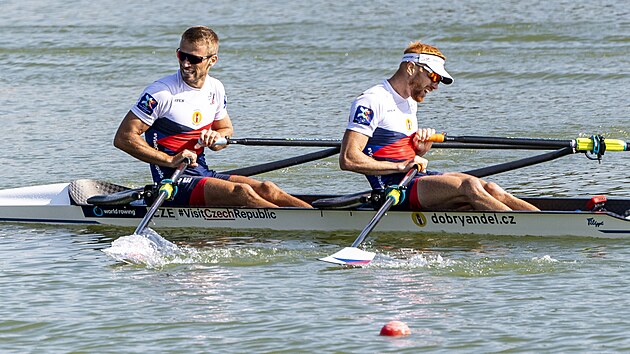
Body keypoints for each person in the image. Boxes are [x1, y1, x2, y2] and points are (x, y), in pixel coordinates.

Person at [114, 26, 311, 208]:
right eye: (181, 55)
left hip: (202, 173)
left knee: (268, 188)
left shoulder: (215, 88)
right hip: (172, 182)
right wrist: (170, 159)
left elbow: (225, 131)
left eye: (194, 59)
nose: (185, 63)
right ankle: (303, 226)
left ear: (212, 60)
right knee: (241, 192)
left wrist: (216, 139)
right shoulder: (161, 93)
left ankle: (314, 215)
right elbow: (124, 138)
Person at [339, 41, 539, 211]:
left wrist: (419, 150)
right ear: (410, 68)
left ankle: (544, 220)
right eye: (433, 77)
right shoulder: (371, 101)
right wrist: (400, 166)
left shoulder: (409, 101)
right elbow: (348, 158)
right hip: (393, 188)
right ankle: (530, 229)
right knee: (469, 185)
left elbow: (396, 151)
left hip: (415, 178)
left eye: (439, 80)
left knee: (491, 188)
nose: (435, 86)